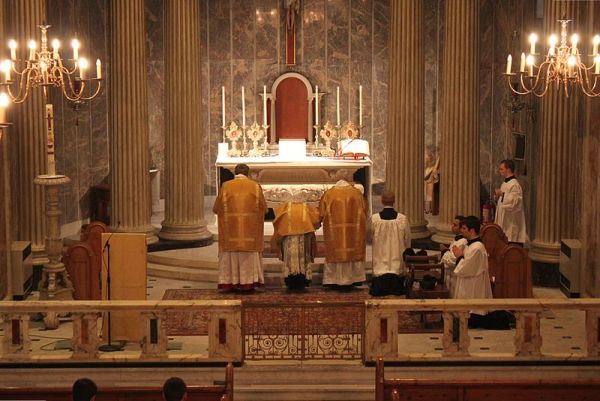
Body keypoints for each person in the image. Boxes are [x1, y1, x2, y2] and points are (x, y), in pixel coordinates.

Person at [213, 163, 267, 292]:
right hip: (250, 232)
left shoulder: (226, 186)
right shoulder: (254, 186)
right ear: (248, 173)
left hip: (230, 232)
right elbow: (264, 208)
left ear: (235, 173)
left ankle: (230, 281)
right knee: (248, 254)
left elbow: (217, 208)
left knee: (230, 254)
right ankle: (248, 282)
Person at [319, 169, 368, 291]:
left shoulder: (329, 194)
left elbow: (321, 213)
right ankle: (353, 278)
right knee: (351, 250)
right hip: (352, 233)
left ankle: (333, 279)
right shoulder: (357, 193)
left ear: (337, 178)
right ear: (348, 179)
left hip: (335, 234)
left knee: (336, 252)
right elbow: (365, 211)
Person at [369, 190, 412, 296]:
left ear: (381, 201)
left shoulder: (374, 219)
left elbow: (369, 238)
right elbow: (407, 240)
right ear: (394, 201)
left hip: (380, 266)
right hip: (396, 268)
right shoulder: (402, 219)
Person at [452, 215, 493, 324]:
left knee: (471, 310)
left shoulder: (477, 248)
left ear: (472, 230)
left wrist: (459, 256)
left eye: (464, 228)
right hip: (468, 282)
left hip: (473, 283)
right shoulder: (470, 245)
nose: (461, 231)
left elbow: (465, 268)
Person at [271, 201, 321, 290]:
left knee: (290, 257)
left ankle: (290, 279)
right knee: (303, 256)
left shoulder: (285, 208)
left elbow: (278, 221)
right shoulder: (307, 207)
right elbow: (316, 220)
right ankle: (303, 279)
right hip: (304, 234)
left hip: (288, 234)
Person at [494, 159, 528, 245]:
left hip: (510, 223)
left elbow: (515, 202)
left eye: (501, 169)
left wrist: (502, 194)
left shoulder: (514, 184)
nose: (500, 171)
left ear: (508, 169)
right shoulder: (505, 183)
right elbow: (503, 201)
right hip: (504, 220)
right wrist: (497, 197)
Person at [440, 215, 468, 297]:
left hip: (454, 276)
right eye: (452, 224)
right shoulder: (456, 239)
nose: (452, 226)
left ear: (461, 228)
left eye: (455, 225)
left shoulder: (463, 242)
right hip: (449, 275)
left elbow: (452, 260)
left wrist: (444, 250)